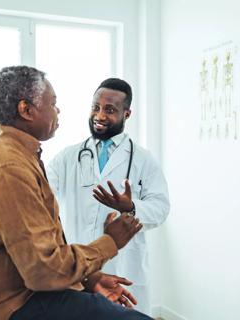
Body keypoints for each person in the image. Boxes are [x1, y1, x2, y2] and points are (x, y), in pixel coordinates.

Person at [0, 66, 152, 320]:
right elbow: (43, 270)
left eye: (109, 109)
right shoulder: (8, 167)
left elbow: (33, 248)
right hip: (5, 307)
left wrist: (88, 279)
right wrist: (111, 241)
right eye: (53, 103)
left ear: (126, 114)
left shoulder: (17, 155)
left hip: (26, 292)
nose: (58, 110)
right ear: (26, 110)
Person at [47, 78, 170, 315]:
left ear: (127, 113)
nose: (100, 115)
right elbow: (41, 193)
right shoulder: (67, 157)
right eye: (96, 107)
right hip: (80, 263)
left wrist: (131, 207)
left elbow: (161, 207)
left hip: (124, 265)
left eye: (110, 110)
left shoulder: (143, 159)